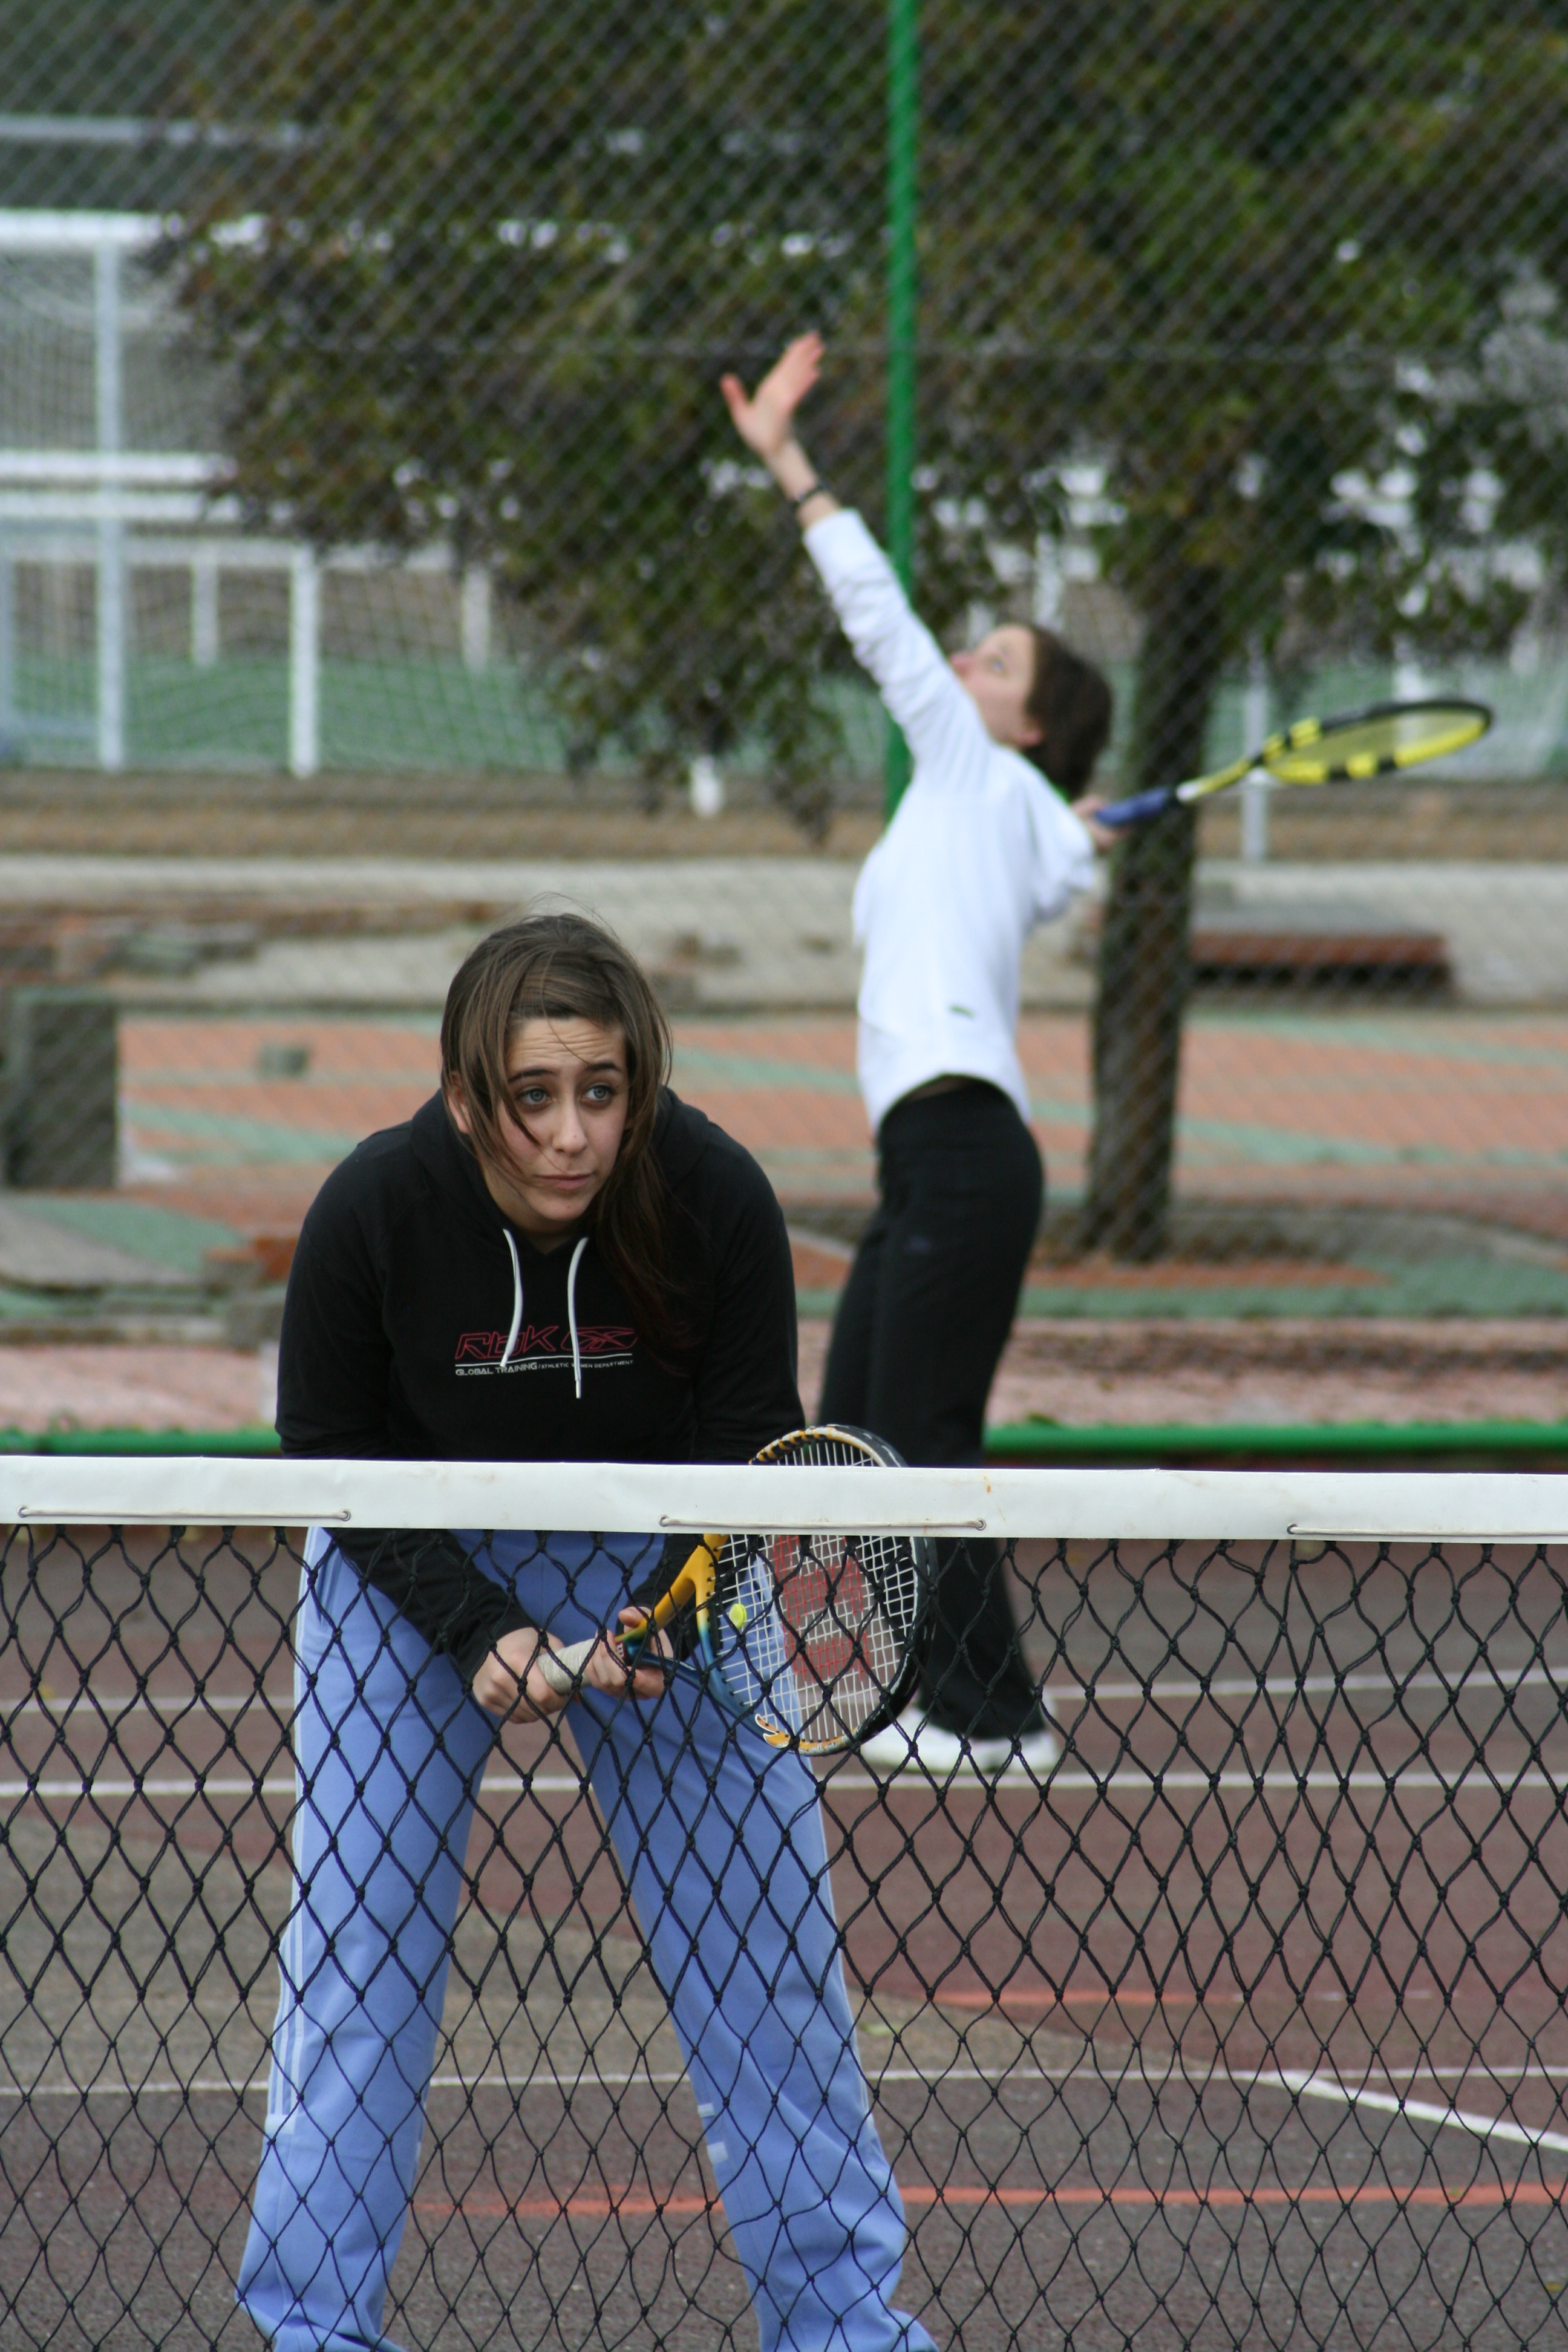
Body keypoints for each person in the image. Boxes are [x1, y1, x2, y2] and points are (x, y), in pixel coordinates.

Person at [237, 910, 935, 2352]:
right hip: (411, 1559)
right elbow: (328, 1455)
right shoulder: (372, 1208)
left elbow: (747, 1446)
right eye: (533, 1097)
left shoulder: (715, 1195)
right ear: (463, 1097)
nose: (572, 1135)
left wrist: (661, 1612)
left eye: (602, 1092)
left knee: (767, 1954)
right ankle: (313, 2331)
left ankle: (846, 2330)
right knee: (360, 1950)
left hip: (659, 1550)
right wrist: (481, 1631)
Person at [721, 333, 1114, 1780]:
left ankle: (995, 1719)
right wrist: (1069, 820)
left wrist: (789, 460)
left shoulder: (965, 767)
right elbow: (1063, 865)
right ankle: (909, 1699)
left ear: (1026, 720)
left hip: (962, 1143)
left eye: (993, 663)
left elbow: (879, 618)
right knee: (863, 1431)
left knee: (926, 1435)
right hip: (938, 1157)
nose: (961, 662)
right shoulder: (1021, 817)